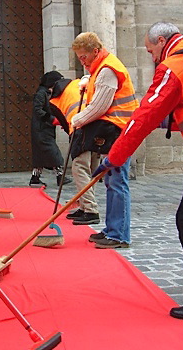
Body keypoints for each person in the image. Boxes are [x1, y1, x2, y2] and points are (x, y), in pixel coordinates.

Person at [96, 21, 183, 321]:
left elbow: (142, 117)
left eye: (150, 50)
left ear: (162, 41)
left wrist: (113, 158)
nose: (151, 56)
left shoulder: (174, 66)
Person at [70, 32, 139, 248]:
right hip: (114, 130)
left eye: (84, 57)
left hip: (120, 131)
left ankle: (119, 234)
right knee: (111, 181)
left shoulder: (108, 70)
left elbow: (100, 106)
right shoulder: (101, 68)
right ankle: (112, 229)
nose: (82, 61)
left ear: (96, 52)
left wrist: (78, 119)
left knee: (117, 181)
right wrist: (86, 80)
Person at [50, 75, 100, 225]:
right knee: (92, 169)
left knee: (80, 168)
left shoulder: (54, 100)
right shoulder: (78, 84)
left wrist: (73, 138)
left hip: (81, 129)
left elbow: (66, 125)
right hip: (99, 126)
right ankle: (84, 206)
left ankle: (90, 210)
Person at [29, 71, 72, 188]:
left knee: (40, 155)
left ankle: (35, 178)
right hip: (41, 129)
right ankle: (60, 177)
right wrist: (52, 119)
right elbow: (38, 110)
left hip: (44, 129)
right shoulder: (41, 93)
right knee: (54, 153)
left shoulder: (48, 93)